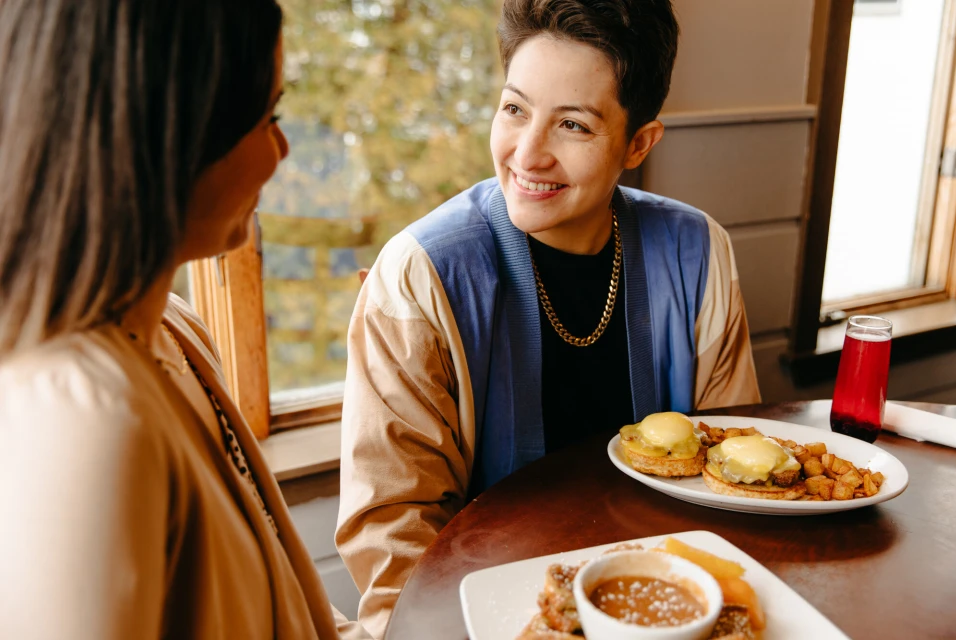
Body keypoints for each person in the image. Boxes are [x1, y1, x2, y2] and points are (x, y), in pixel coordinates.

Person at [336, 0, 760, 636]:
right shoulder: (422, 273)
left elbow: (734, 483)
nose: (526, 155)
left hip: (667, 608)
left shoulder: (697, 252)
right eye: (514, 109)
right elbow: (394, 533)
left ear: (638, 142)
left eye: (574, 126)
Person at [0, 1, 368, 638]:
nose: (280, 152)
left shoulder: (174, 330)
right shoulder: (80, 423)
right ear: (167, 139)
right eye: (267, 118)